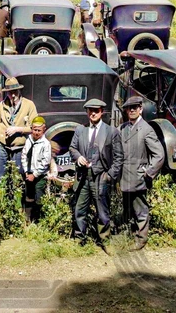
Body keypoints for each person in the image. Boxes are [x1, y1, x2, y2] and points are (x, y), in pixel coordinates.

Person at [68, 98, 123, 244]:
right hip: (83, 177)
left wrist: (110, 175)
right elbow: (72, 148)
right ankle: (80, 239)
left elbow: (119, 157)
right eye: (90, 110)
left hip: (101, 176)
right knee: (80, 209)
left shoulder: (111, 132)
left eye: (96, 111)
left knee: (102, 211)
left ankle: (104, 240)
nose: (93, 113)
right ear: (87, 112)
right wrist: (78, 157)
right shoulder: (81, 129)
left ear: (102, 112)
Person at [120, 95, 165, 250]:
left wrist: (148, 172)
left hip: (139, 178)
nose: (132, 111)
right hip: (124, 177)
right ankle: (130, 236)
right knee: (128, 209)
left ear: (140, 109)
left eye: (135, 108)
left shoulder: (146, 129)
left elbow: (159, 155)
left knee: (141, 211)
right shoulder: (123, 128)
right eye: (129, 108)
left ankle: (141, 240)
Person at [0, 77, 37, 182]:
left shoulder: (29, 105)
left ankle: (16, 197)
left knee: (18, 177)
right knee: (1, 177)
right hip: (1, 145)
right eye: (10, 92)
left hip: (19, 147)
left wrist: (17, 129)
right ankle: (2, 196)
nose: (12, 95)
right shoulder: (1, 106)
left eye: (15, 92)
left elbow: (34, 128)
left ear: (19, 91)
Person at [21, 116, 52, 223]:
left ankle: (39, 220)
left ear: (44, 130)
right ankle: (28, 220)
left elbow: (45, 162)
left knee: (39, 197)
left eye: (39, 130)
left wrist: (34, 174)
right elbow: (24, 155)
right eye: (34, 130)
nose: (36, 133)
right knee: (28, 196)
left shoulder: (45, 144)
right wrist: (26, 171)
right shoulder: (28, 140)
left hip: (39, 175)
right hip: (28, 173)